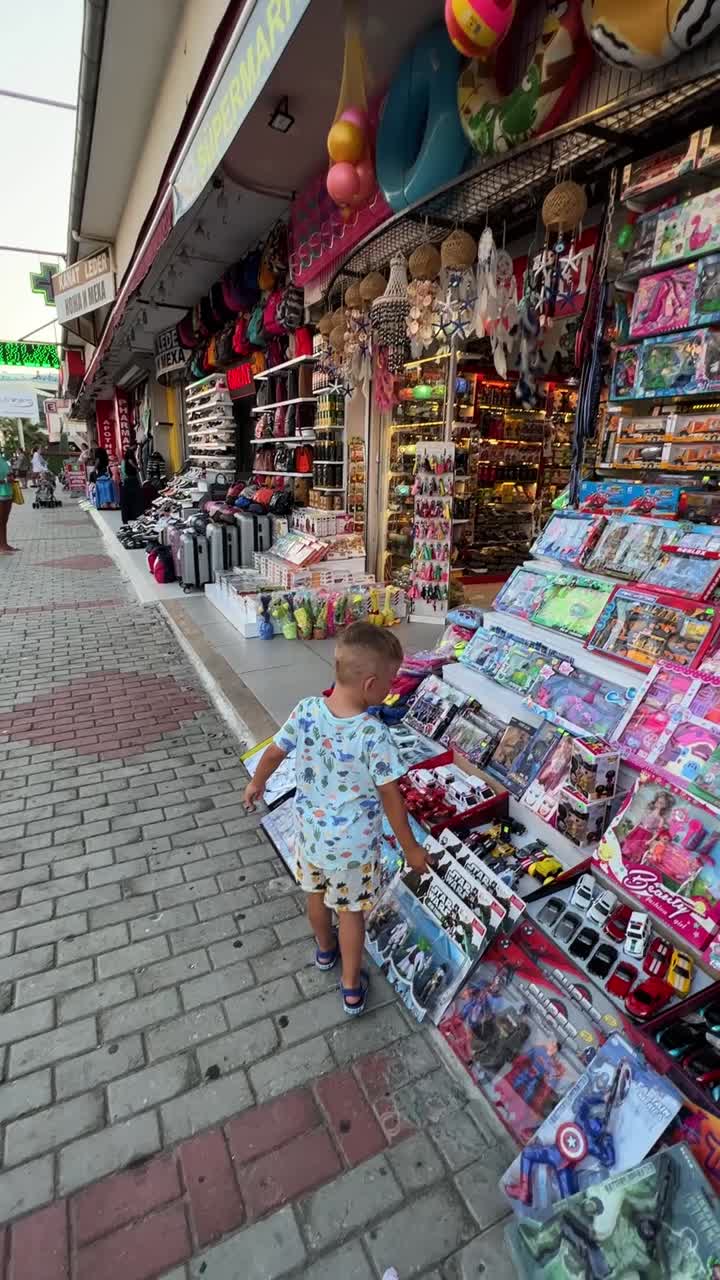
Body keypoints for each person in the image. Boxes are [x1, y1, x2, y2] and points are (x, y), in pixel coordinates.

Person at [243, 622, 427, 1016]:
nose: (391, 690)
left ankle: (325, 951)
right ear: (370, 684)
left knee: (315, 897)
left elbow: (274, 752)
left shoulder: (307, 710)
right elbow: (391, 798)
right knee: (350, 913)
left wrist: (257, 782)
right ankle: (351, 986)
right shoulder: (373, 734)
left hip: (311, 837)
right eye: (390, 682)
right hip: (353, 850)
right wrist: (411, 848)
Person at [120, 446, 143, 523]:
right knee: (135, 498)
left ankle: (130, 516)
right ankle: (135, 515)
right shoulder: (130, 452)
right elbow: (130, 461)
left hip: (128, 479)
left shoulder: (127, 454)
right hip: (132, 478)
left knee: (128, 499)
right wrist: (137, 468)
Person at [0, 451, 17, 554]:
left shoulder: (3, 460)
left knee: (4, 521)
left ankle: (4, 544)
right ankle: (1, 546)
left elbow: (9, 473)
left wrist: (11, 476)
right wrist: (5, 481)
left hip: (8, 493)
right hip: (1, 494)